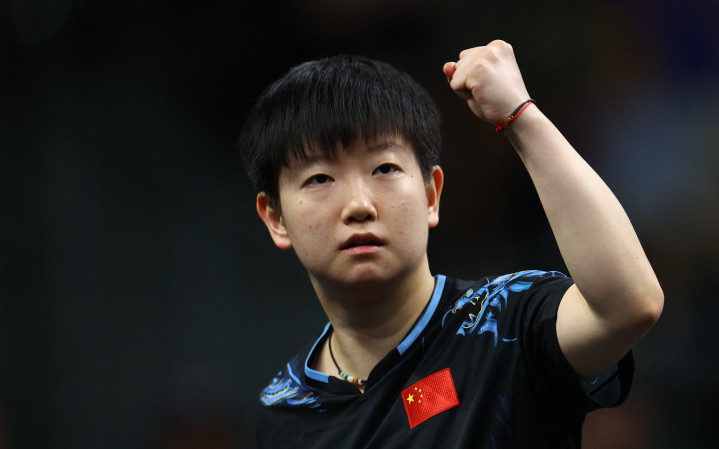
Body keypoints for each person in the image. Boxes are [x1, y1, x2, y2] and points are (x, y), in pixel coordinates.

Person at [238, 40, 664, 448]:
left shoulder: (505, 323)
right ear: (276, 218)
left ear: (431, 195)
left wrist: (520, 115)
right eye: (319, 179)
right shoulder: (283, 409)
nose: (359, 205)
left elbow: (627, 305)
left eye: (384, 169)